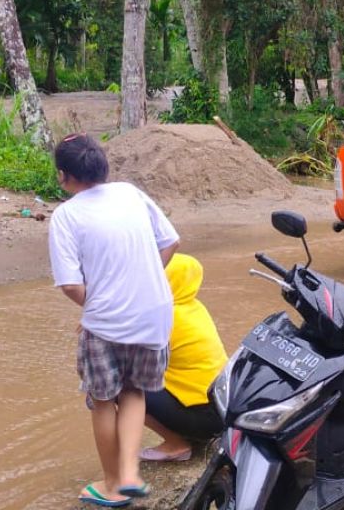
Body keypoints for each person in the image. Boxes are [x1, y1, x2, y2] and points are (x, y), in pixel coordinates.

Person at [48, 133, 180, 507]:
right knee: (134, 392)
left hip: (108, 321)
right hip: (154, 314)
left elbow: (71, 286)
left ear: (64, 176)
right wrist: (137, 287)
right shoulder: (130, 193)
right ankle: (129, 475)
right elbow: (170, 241)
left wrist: (103, 302)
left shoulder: (66, 215)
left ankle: (113, 486)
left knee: (102, 400)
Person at [142, 253, 227, 462]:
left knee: (119, 385)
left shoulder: (163, 318)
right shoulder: (194, 307)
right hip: (222, 410)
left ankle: (176, 445)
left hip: (205, 416)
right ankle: (190, 436)